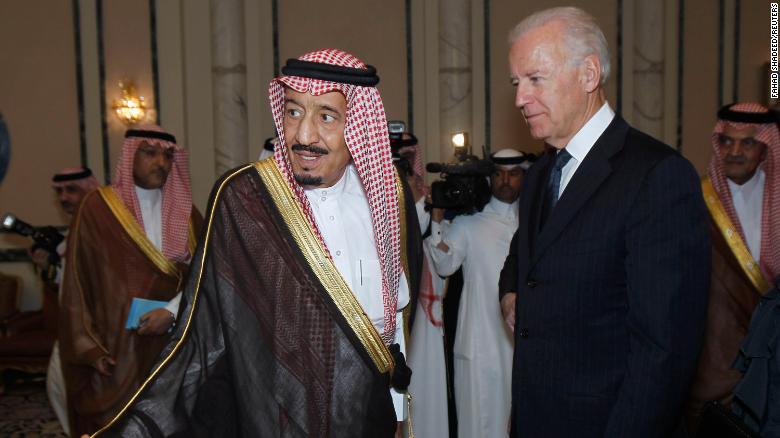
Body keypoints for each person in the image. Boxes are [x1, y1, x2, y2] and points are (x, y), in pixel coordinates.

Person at [88, 49, 422, 438]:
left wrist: (396, 410)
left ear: (360, 127)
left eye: (327, 117)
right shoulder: (245, 198)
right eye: (294, 112)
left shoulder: (390, 197)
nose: (304, 135)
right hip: (274, 411)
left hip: (366, 411)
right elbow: (201, 337)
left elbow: (393, 322)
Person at [499, 7, 710, 437]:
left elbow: (664, 352)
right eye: (516, 83)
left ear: (588, 75)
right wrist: (510, 292)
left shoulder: (657, 177)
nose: (520, 98)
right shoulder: (542, 173)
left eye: (535, 79)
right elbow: (526, 255)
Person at [59, 126, 203, 436]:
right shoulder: (96, 208)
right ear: (129, 156)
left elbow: (207, 275)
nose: (161, 163)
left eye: (167, 155)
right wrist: (90, 348)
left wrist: (173, 311)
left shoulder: (189, 215)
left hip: (171, 348)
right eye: (149, 153)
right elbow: (76, 281)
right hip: (115, 350)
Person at [684, 102, 779, 432]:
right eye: (727, 141)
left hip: (771, 360)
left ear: (766, 146)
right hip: (711, 362)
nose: (734, 151)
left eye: (747, 142)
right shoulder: (693, 201)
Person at [426, 148, 528, 438]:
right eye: (499, 174)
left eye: (514, 174)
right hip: (480, 346)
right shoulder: (469, 224)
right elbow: (444, 263)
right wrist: (437, 219)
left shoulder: (534, 224)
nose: (505, 181)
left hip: (523, 347)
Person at [31, 167, 100, 434]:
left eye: (71, 189)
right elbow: (63, 283)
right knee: (59, 388)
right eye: (59, 191)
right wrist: (47, 267)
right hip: (69, 328)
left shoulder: (99, 229)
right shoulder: (74, 230)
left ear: (89, 188)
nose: (64, 197)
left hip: (95, 330)